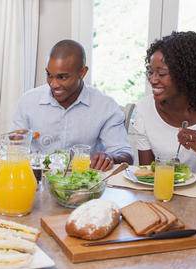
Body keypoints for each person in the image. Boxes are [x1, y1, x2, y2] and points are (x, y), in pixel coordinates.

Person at [10, 39, 133, 171]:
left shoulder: (105, 106)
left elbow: (125, 155)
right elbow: (13, 149)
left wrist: (111, 158)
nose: (54, 84)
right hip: (37, 182)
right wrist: (15, 144)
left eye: (62, 77)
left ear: (82, 72)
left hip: (84, 184)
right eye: (49, 75)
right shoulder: (28, 101)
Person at [134, 31, 196, 178]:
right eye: (150, 72)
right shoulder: (144, 109)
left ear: (187, 75)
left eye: (162, 74)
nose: (153, 80)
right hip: (163, 197)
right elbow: (147, 176)